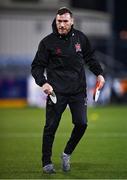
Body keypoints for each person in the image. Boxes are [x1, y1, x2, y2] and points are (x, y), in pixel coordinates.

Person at [31, 7, 105, 174]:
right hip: (56, 92)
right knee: (51, 127)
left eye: (65, 21)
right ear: (55, 21)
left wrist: (99, 74)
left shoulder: (81, 38)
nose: (62, 24)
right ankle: (46, 162)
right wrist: (43, 83)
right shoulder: (47, 42)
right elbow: (36, 66)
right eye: (59, 21)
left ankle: (67, 153)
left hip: (78, 91)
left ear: (72, 22)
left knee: (82, 124)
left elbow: (90, 58)